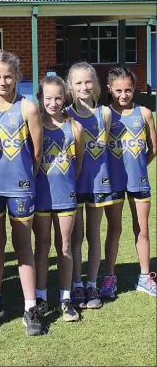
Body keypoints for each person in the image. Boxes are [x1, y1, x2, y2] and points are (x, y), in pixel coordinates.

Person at [0, 50, 44, 336]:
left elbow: (37, 152)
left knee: (23, 247)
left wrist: (24, 179)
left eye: (8, 76)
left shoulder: (28, 107)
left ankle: (30, 307)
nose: (3, 82)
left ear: (17, 76)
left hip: (21, 189)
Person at [33, 74, 84, 322]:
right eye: (48, 98)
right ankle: (40, 297)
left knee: (64, 246)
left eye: (58, 98)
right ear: (40, 98)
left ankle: (66, 298)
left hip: (66, 196)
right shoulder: (35, 124)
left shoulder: (75, 127)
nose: (53, 103)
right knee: (41, 246)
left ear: (65, 98)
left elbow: (79, 165)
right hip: (41, 197)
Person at [102, 67, 156, 298]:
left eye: (128, 90)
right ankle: (109, 277)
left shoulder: (144, 113)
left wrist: (139, 166)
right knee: (114, 229)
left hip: (138, 181)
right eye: (119, 90)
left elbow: (153, 148)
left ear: (134, 89)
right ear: (109, 89)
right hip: (112, 182)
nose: (124, 95)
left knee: (141, 229)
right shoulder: (104, 114)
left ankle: (145, 277)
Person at [66, 62, 112, 310]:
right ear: (70, 86)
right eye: (78, 82)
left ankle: (92, 282)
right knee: (76, 235)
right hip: (73, 182)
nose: (84, 86)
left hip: (98, 183)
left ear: (94, 83)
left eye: (88, 81)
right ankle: (76, 283)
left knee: (94, 233)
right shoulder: (65, 114)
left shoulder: (104, 113)